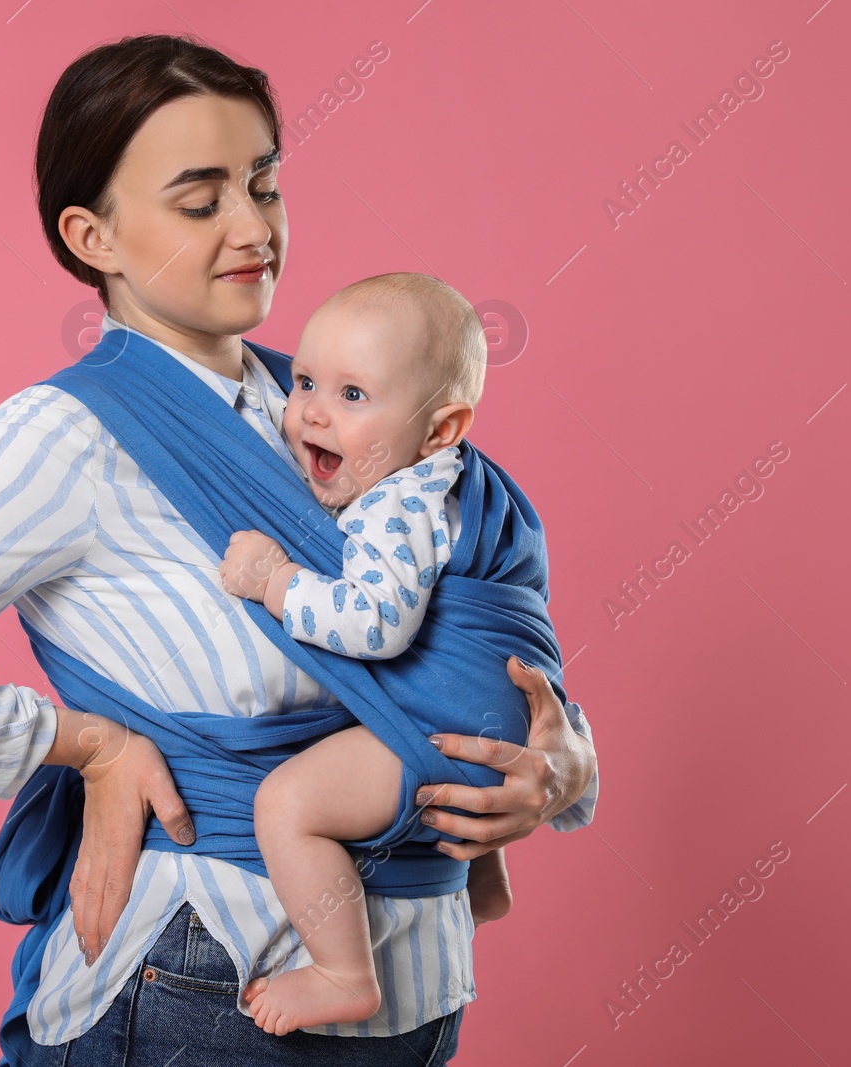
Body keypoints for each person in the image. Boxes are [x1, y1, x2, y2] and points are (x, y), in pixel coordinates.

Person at [0, 33, 598, 1067]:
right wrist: (89, 745)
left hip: (419, 985)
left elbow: (466, 620)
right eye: (201, 201)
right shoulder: (62, 438)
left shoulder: (343, 403)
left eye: (265, 186)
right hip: (207, 981)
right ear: (93, 235)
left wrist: (563, 758)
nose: (253, 229)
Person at [217, 271, 535, 1036]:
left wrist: (275, 581)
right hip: (496, 720)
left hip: (452, 725)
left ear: (440, 430)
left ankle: (342, 972)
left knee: (287, 803)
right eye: (303, 381)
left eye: (353, 395)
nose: (313, 412)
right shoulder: (450, 484)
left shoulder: (396, 502)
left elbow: (376, 624)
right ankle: (484, 884)